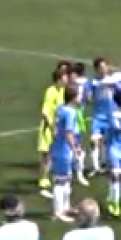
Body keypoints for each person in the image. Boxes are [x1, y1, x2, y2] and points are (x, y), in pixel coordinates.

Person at [50, 86, 82, 221]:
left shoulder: (60, 108)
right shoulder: (71, 112)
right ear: (74, 97)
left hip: (57, 147)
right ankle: (58, 212)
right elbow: (69, 133)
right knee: (60, 181)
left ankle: (65, 207)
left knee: (66, 179)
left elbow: (56, 128)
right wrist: (74, 148)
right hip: (63, 149)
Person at [87, 58, 120, 174]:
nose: (104, 69)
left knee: (108, 141)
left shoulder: (113, 80)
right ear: (96, 69)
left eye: (105, 66)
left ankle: (106, 164)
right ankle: (95, 167)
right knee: (94, 140)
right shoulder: (93, 82)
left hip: (111, 115)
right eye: (101, 67)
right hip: (98, 115)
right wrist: (93, 94)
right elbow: (89, 98)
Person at [37, 67, 68, 191]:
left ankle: (49, 175)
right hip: (48, 127)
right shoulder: (51, 91)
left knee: (54, 154)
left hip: (58, 127)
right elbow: (45, 112)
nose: (67, 79)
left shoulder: (63, 91)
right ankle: (42, 178)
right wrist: (52, 127)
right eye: (65, 77)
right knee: (46, 154)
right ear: (59, 79)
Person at [71, 62, 91, 186]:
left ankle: (77, 172)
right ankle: (77, 173)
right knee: (77, 148)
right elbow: (86, 99)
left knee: (77, 147)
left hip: (76, 118)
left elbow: (86, 99)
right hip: (72, 119)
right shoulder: (74, 85)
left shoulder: (79, 84)